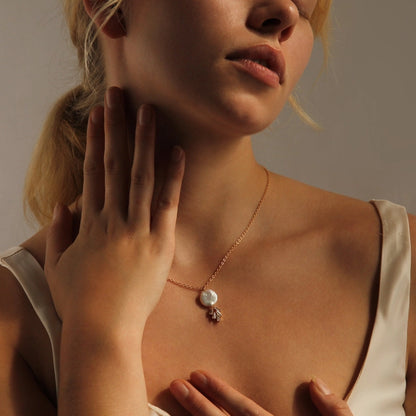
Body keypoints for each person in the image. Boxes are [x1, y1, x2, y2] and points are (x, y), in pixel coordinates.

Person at [0, 0, 415, 415]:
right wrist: (99, 336)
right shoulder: (11, 321)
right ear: (112, 9)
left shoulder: (403, 266)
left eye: (304, 8)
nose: (282, 15)